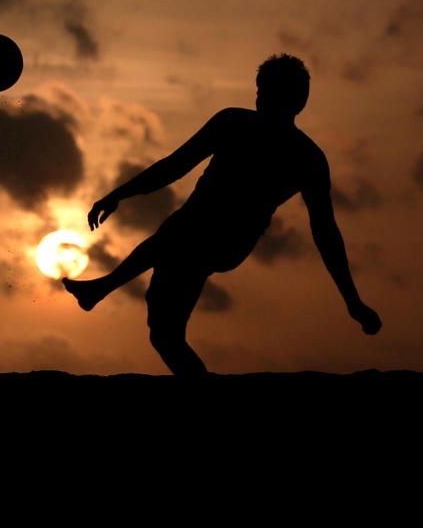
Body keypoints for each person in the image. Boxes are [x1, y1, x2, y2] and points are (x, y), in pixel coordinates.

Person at [62, 53, 382, 375]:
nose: (260, 97)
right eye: (259, 89)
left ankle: (101, 288)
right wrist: (119, 194)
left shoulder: (306, 158)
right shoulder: (232, 122)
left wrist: (352, 300)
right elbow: (176, 165)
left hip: (226, 241)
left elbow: (325, 232)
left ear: (295, 101)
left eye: (268, 91)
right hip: (190, 236)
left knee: (178, 232)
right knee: (164, 334)